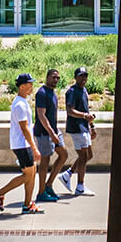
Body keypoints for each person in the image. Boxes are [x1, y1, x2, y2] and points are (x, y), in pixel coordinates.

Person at [0, 74, 43, 214]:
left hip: (23, 144)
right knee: (28, 175)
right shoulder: (20, 104)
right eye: (29, 84)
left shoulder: (22, 102)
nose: (31, 86)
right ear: (21, 87)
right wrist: (34, 147)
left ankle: (27, 205)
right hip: (22, 145)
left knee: (32, 173)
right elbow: (24, 127)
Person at [32, 68, 68, 203]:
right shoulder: (41, 93)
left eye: (58, 78)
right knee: (45, 162)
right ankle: (41, 193)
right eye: (53, 77)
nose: (56, 80)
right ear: (47, 77)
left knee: (64, 154)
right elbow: (41, 115)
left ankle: (48, 185)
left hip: (53, 130)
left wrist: (54, 131)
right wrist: (51, 133)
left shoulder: (52, 93)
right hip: (44, 133)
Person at [61, 66, 96, 196]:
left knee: (88, 155)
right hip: (76, 127)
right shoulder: (72, 91)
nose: (84, 78)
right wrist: (84, 116)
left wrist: (92, 126)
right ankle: (80, 186)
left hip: (84, 127)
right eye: (81, 76)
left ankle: (68, 174)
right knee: (83, 156)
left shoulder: (84, 90)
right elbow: (70, 111)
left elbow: (86, 110)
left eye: (85, 75)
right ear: (75, 77)